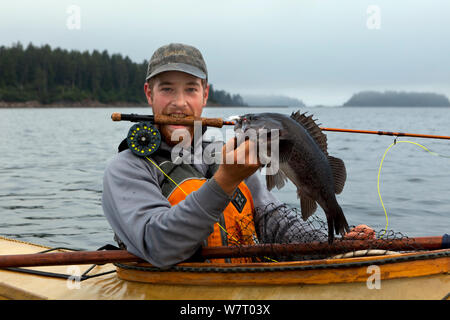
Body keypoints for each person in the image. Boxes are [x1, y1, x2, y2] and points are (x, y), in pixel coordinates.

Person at [102, 43, 374, 268]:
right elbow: (158, 246)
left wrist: (335, 247)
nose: (180, 102)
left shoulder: (227, 156)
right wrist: (224, 183)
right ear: (149, 94)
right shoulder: (126, 169)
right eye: (167, 88)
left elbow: (274, 223)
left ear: (205, 95)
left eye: (191, 89)